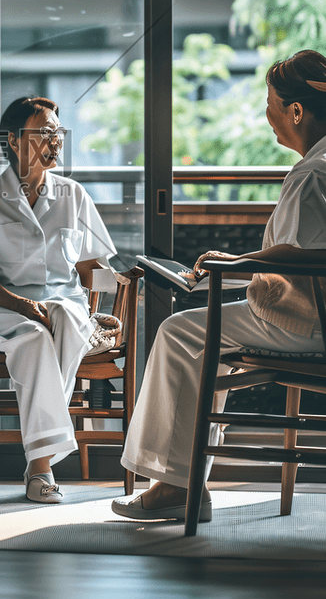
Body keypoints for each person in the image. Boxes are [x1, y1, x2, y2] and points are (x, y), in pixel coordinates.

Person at [112, 50, 326, 522]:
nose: (266, 115)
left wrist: (239, 262)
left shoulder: (313, 173)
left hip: (308, 323)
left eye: (271, 104)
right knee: (204, 330)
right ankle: (182, 481)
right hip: (316, 315)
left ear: (296, 111)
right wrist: (245, 264)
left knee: (178, 333)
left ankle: (174, 486)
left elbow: (306, 254)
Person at [0, 96, 118, 503]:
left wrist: (108, 311)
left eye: (58, 133)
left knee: (57, 318)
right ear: (13, 139)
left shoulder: (73, 196)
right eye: (44, 132)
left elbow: (93, 269)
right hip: (1, 310)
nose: (55, 141)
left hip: (64, 310)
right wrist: (23, 307)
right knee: (36, 334)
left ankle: (39, 466)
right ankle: (42, 467)